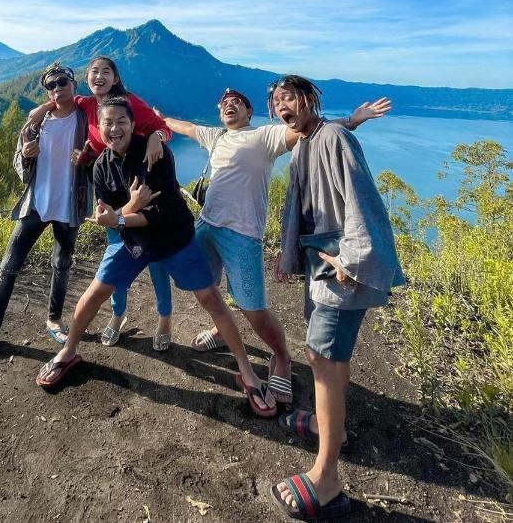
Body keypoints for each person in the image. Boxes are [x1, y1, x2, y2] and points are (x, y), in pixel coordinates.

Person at [34, 96, 277, 417]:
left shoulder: (157, 155)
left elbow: (156, 212)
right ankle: (67, 351)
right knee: (93, 295)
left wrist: (119, 217)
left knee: (211, 299)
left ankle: (247, 373)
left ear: (134, 126)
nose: (114, 128)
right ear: (99, 128)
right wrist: (123, 213)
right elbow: (107, 212)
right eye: (107, 123)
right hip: (132, 241)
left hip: (173, 237)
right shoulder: (102, 167)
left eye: (121, 121)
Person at [158, 89, 389, 406]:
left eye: (237, 102)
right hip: (208, 226)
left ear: (248, 112)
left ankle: (280, 357)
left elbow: (313, 129)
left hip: (242, 235)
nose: (229, 104)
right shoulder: (215, 136)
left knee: (253, 307)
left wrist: (351, 120)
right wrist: (154, 117)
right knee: (201, 284)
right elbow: (181, 126)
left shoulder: (265, 136)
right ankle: (221, 327)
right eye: (224, 103)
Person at [269, 75, 405, 521]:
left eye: (288, 97)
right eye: (276, 102)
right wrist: (291, 256)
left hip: (341, 267)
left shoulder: (334, 139)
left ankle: (327, 482)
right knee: (332, 353)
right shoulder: (308, 142)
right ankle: (336, 429)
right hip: (320, 263)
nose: (281, 106)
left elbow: (363, 200)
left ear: (308, 99)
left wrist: (352, 258)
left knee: (320, 356)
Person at [24, 56, 174, 350]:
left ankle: (164, 318)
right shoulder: (86, 104)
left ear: (115, 78)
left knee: (155, 257)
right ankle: (118, 315)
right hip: (109, 190)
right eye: (94, 72)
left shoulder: (129, 103)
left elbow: (162, 127)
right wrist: (45, 109)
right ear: (87, 79)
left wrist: (157, 137)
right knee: (116, 253)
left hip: (142, 186)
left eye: (106, 71)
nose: (100, 76)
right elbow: (62, 99)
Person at [0, 62, 91, 363]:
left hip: (69, 205)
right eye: (51, 85)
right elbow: (20, 163)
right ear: (46, 90)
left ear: (74, 85)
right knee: (8, 266)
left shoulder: (85, 119)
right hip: (36, 205)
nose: (57, 89)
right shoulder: (36, 124)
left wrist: (88, 159)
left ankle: (54, 320)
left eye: (62, 83)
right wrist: (26, 156)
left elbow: (100, 151)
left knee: (62, 262)